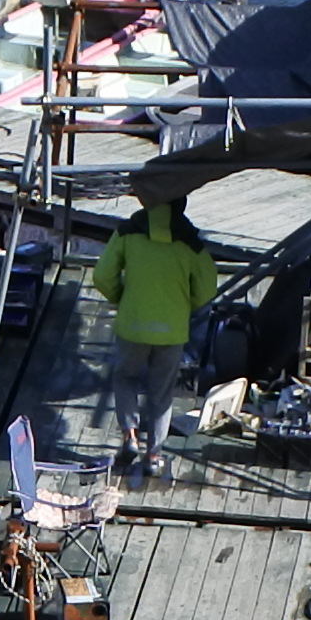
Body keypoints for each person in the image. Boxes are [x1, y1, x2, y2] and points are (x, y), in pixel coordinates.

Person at [95, 199, 212, 476]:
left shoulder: (128, 232)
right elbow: (207, 286)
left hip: (133, 325)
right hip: (171, 330)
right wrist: (186, 306)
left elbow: (102, 276)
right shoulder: (190, 241)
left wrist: (120, 297)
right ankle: (155, 454)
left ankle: (130, 437)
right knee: (162, 393)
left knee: (125, 377)